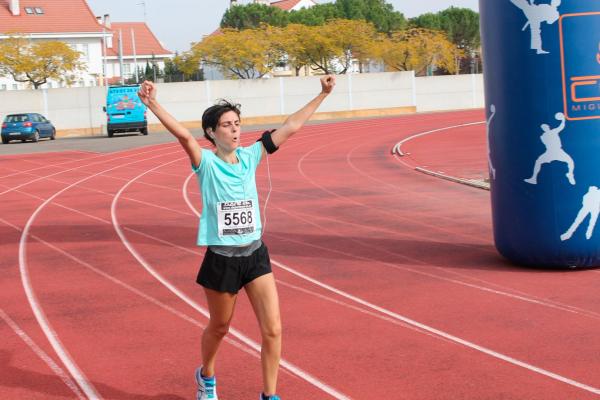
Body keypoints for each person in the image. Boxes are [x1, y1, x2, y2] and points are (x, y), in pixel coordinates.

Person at [138, 75, 336, 400]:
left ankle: (269, 395)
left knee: (273, 329)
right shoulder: (206, 164)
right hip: (222, 260)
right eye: (227, 125)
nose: (234, 129)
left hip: (255, 255)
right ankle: (206, 376)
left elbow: (291, 127)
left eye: (237, 123)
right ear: (212, 133)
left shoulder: (250, 157)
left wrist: (322, 94)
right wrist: (153, 104)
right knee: (220, 327)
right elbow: (184, 137)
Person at [524, 112, 575, 186]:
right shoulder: (544, 136)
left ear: (548, 127)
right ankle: (533, 178)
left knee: (570, 161)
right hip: (550, 152)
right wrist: (562, 119)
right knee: (538, 162)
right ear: (543, 129)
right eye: (543, 127)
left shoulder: (552, 132)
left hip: (558, 151)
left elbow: (561, 126)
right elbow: (560, 128)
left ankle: (570, 174)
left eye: (546, 126)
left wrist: (563, 119)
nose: (545, 128)